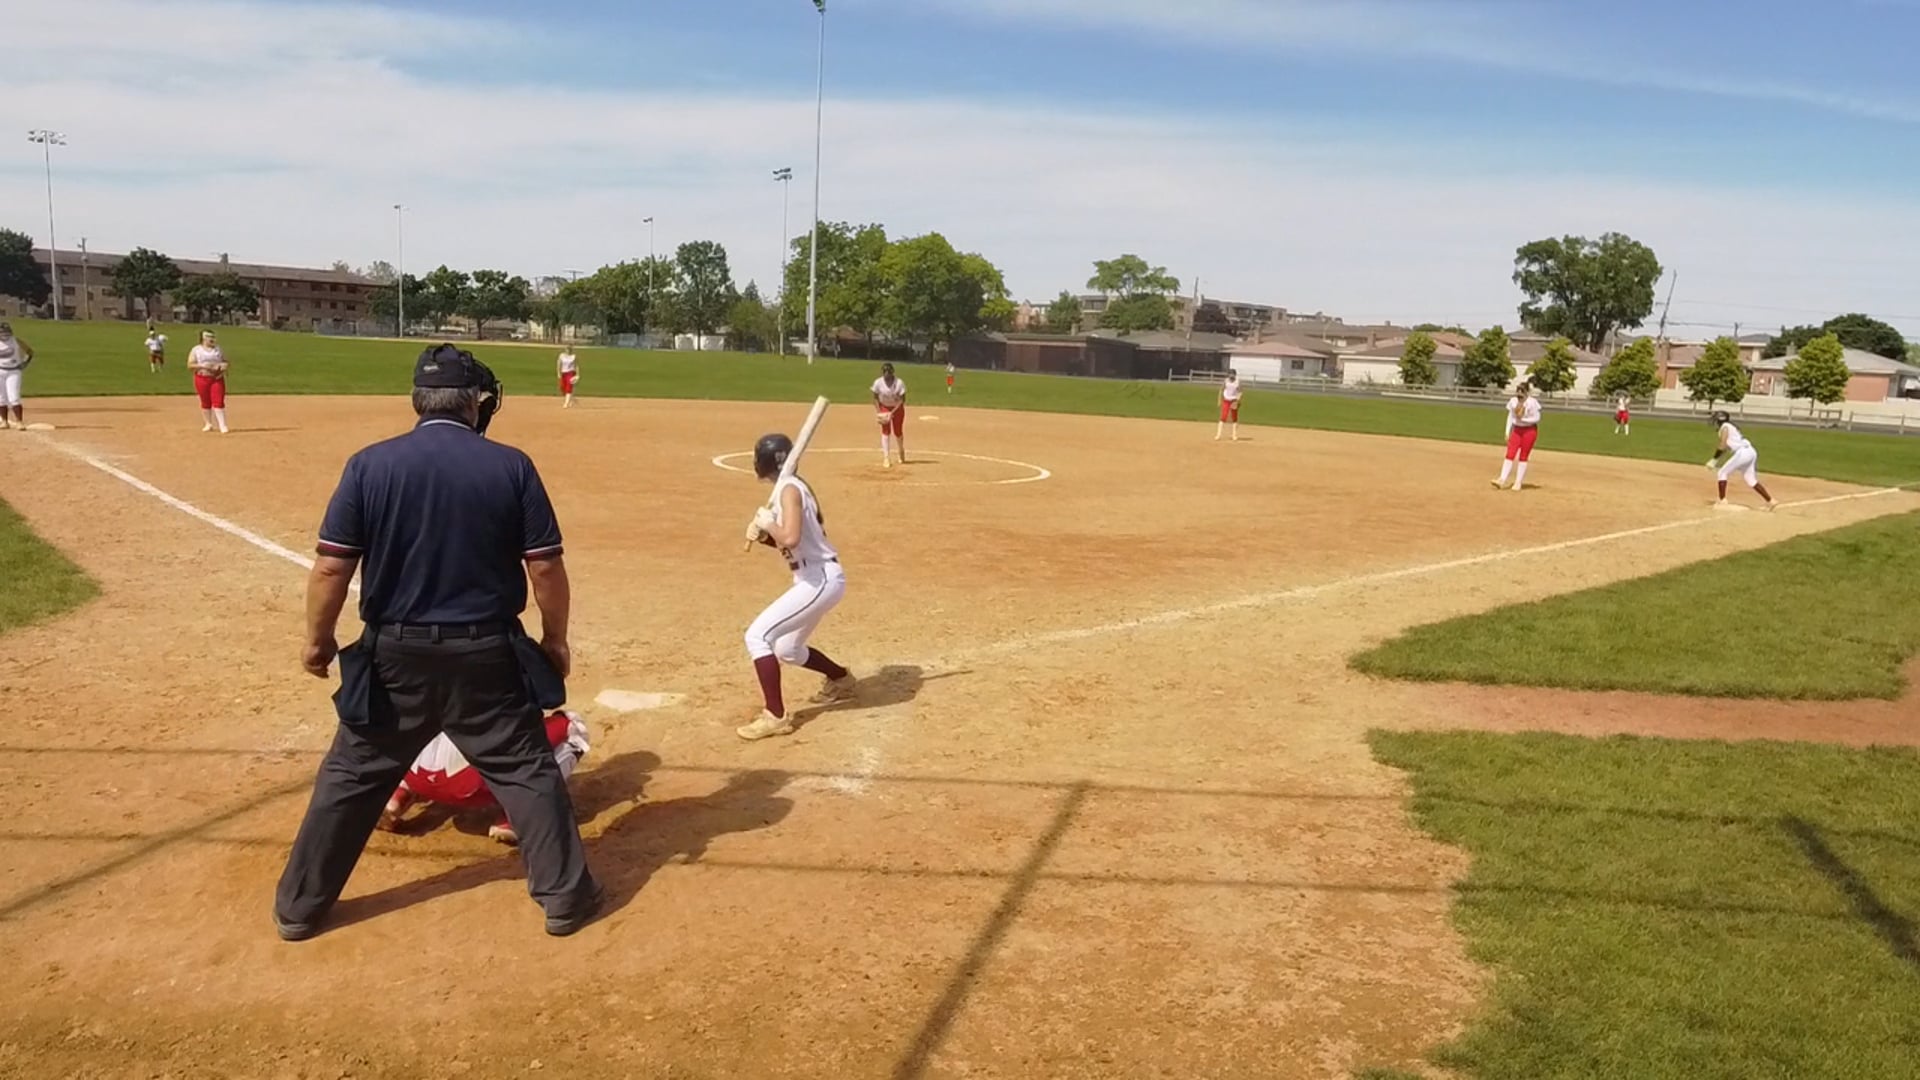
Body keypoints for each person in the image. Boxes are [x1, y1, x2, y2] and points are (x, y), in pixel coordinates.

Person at [274, 344, 602, 941]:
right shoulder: (511, 466)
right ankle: (564, 899)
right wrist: (555, 640)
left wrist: (317, 642)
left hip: (393, 656)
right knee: (526, 770)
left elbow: (331, 567)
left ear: (417, 400)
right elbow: (545, 567)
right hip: (486, 653)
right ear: (474, 402)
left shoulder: (369, 465)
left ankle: (299, 908)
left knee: (351, 775)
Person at [738, 432, 854, 741]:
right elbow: (788, 543)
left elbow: (789, 538)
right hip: (812, 577)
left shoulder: (789, 489)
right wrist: (765, 535)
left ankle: (775, 716)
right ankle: (841, 678)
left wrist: (768, 524)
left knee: (757, 636)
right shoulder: (787, 488)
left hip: (819, 578)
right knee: (787, 649)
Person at [379, 710, 591, 845]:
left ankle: (399, 793)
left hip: (408, 767)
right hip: (469, 785)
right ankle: (516, 816)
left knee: (416, 722)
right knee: (572, 727)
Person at [1707, 410, 1777, 511]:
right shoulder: (1730, 426)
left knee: (1722, 473)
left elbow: (1722, 445)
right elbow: (1726, 447)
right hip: (1751, 451)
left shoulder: (1725, 427)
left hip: (1743, 453)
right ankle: (1770, 501)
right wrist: (1716, 460)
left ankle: (1722, 500)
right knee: (1750, 479)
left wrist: (1714, 459)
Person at [1492, 381, 1541, 491]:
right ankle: (1502, 479)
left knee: (1523, 456)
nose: (1519, 395)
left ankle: (1518, 482)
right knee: (1510, 453)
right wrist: (1507, 431)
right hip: (1517, 430)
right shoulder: (1513, 401)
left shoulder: (1532, 403)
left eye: (1522, 392)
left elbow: (1537, 418)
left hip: (1529, 431)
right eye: (1518, 392)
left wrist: (1523, 419)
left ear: (1527, 393)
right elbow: (1510, 416)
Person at [188, 330, 230, 434]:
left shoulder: (218, 350)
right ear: (203, 338)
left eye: (213, 337)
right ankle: (208, 423)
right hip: (202, 377)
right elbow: (190, 365)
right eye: (209, 337)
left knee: (218, 400)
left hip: (216, 378)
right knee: (205, 401)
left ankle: (222, 425)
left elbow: (226, 361)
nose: (212, 339)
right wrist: (202, 366)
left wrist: (223, 366)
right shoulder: (196, 350)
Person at [872, 362, 908, 467]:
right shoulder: (878, 383)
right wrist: (879, 412)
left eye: (888, 373)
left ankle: (901, 451)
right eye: (885, 373)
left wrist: (892, 412)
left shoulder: (899, 383)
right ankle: (886, 457)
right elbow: (875, 398)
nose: (886, 376)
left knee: (898, 432)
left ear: (892, 373)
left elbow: (902, 400)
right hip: (884, 407)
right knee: (886, 431)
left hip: (897, 409)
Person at [0, 322, 33, 431]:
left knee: (14, 397)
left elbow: (29, 352)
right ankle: (4, 421)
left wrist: (24, 363)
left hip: (13, 371)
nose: (4, 335)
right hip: (0, 370)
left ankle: (19, 422)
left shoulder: (16, 341)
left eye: (6, 332)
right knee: (1, 398)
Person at [1216, 369, 1243, 441]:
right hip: (1226, 400)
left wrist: (1238, 401)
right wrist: (1219, 400)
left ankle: (1234, 435)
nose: (1231, 375)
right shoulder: (1226, 381)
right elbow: (1221, 390)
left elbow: (1240, 392)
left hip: (1234, 400)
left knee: (1234, 418)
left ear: (1235, 375)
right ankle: (1218, 435)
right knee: (1223, 416)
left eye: (1233, 374)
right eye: (1230, 374)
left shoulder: (1237, 382)